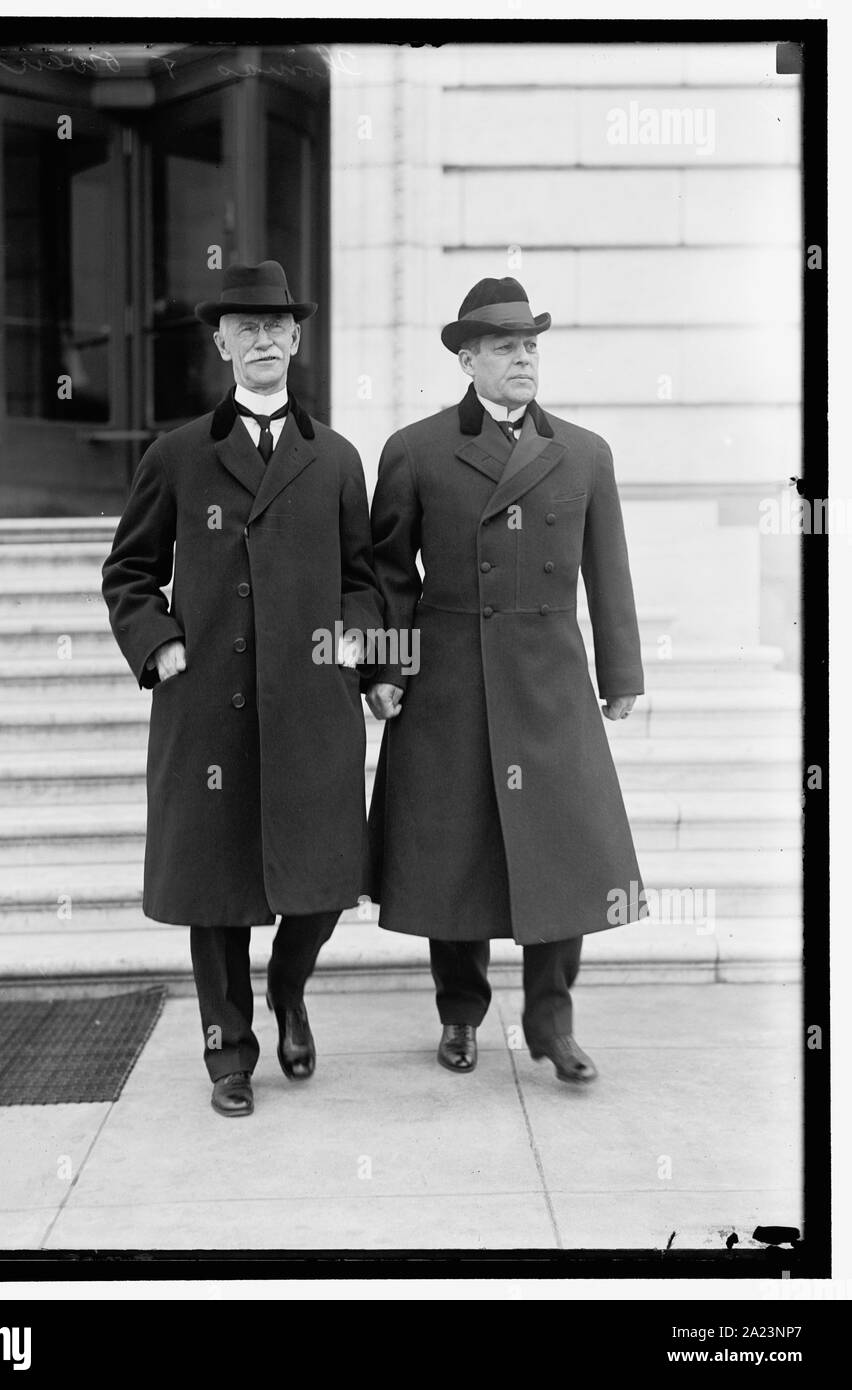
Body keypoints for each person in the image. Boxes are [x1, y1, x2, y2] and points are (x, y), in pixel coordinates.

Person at [103, 261, 383, 1117]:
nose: (263, 339)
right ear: (221, 342)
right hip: (210, 708)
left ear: (297, 341)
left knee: (327, 878)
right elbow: (131, 571)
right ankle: (228, 1050)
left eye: (277, 327)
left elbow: (363, 577)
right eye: (245, 326)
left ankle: (288, 991)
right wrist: (161, 646)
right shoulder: (178, 455)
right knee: (216, 885)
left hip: (310, 706)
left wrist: (355, 638)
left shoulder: (335, 457)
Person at [366, 275, 646, 1084]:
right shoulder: (415, 450)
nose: (523, 358)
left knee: (563, 852)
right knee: (451, 854)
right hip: (449, 680)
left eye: (530, 345)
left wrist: (620, 672)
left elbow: (609, 571)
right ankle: (460, 1016)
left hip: (550, 681)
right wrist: (386, 669)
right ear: (467, 362)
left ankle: (552, 1024)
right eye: (503, 347)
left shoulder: (585, 452)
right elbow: (389, 575)